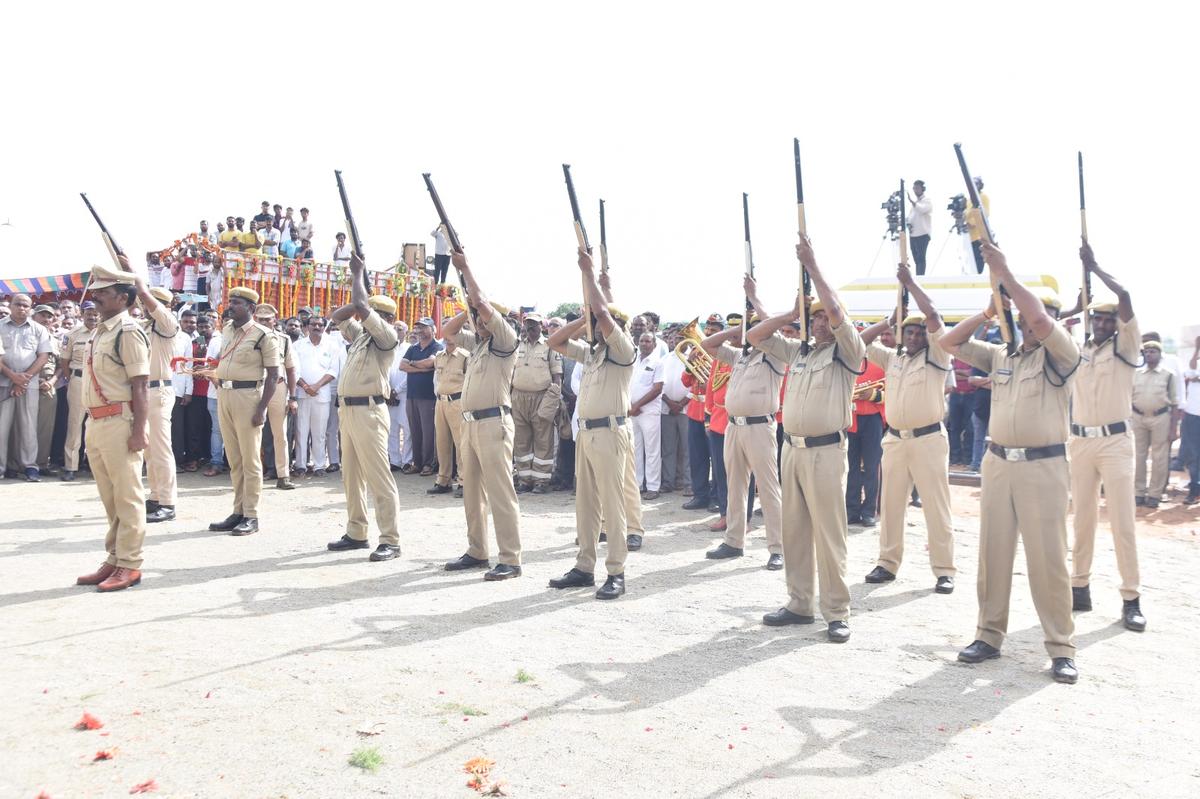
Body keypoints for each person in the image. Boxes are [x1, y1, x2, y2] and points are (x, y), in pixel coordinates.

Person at [936, 242, 1080, 684]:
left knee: (1047, 559)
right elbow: (947, 342)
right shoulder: (1002, 355)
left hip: (1044, 466)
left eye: (1036, 318)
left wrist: (1004, 271)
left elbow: (1039, 318)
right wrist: (985, 314)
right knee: (993, 554)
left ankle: (1060, 647)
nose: (1030, 325)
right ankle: (988, 635)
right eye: (1019, 319)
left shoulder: (1063, 354)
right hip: (998, 462)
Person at [749, 236, 864, 643]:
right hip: (791, 449)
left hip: (826, 451)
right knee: (796, 530)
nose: (818, 323)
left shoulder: (848, 351)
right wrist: (789, 313)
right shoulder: (798, 352)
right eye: (812, 319)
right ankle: (800, 603)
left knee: (829, 534)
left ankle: (836, 611)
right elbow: (756, 337)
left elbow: (835, 310)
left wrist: (813, 266)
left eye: (822, 319)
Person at [859, 264, 957, 593]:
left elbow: (934, 316)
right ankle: (887, 563)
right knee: (891, 504)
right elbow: (859, 342)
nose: (914, 337)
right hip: (895, 440)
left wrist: (910, 285)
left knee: (935, 505)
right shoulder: (893, 357)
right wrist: (890, 319)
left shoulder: (939, 355)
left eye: (919, 333)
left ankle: (944, 569)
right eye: (909, 332)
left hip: (928, 439)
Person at [1063, 244, 1145, 632]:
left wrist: (1094, 268)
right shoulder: (1081, 351)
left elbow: (1125, 297)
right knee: (1082, 519)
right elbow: (1045, 326)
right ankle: (1080, 586)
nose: (1103, 324)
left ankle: (1131, 597)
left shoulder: (1127, 347)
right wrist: (1078, 305)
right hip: (1080, 441)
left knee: (1122, 522)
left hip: (1115, 442)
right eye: (1097, 319)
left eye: (1108, 320)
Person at [547, 249, 636, 599]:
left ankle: (616, 571)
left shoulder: (623, 350)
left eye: (601, 325)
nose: (596, 328)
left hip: (611, 432)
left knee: (613, 505)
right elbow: (555, 341)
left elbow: (603, 311)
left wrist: (588, 276)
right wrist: (584, 317)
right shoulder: (593, 352)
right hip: (587, 432)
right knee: (585, 503)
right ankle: (585, 566)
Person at [439, 252, 523, 581]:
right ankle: (477, 550)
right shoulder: (478, 344)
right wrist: (467, 311)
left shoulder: (505, 340)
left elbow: (483, 304)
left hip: (493, 423)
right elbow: (447, 330)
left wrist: (466, 271)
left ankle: (510, 557)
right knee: (471, 490)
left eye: (482, 317)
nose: (479, 321)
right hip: (471, 423)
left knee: (500, 492)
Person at [73, 263, 150, 592]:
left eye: (103, 292)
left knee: (128, 496)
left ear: (123, 297)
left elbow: (141, 386)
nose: (97, 297)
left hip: (120, 421)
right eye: (96, 292)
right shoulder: (98, 332)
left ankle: (130, 564)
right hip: (97, 421)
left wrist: (138, 431)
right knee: (109, 497)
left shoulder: (128, 331)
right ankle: (115, 556)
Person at [700, 276, 785, 569]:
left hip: (760, 426)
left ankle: (778, 547)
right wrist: (740, 328)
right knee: (735, 485)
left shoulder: (775, 354)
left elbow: (771, 326)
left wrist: (756, 305)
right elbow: (707, 343)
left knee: (768, 486)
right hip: (734, 426)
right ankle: (734, 540)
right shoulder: (739, 355)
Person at [324, 254, 404, 562]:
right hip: (349, 411)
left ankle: (390, 539)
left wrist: (358, 278)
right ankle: (357, 531)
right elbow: (337, 316)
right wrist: (359, 303)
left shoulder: (387, 336)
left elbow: (359, 305)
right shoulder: (361, 337)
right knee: (352, 475)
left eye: (371, 313)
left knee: (378, 476)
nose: (363, 316)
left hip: (370, 411)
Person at [207, 286, 280, 536]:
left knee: (250, 460)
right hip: (225, 395)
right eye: (230, 301)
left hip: (249, 397)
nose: (231, 306)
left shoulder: (264, 335)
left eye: (237, 303)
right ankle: (238, 510)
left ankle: (252, 514)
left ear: (250, 308)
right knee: (234, 459)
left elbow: (273, 376)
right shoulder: (227, 329)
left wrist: (261, 409)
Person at [133, 281, 183, 523]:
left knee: (162, 449)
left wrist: (139, 284)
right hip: (144, 391)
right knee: (149, 449)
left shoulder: (168, 323)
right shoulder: (145, 326)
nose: (146, 307)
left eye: (152, 304)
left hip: (160, 390)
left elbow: (152, 304)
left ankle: (168, 502)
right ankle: (155, 496)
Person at [0, 294, 52, 480]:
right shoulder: (0, 326)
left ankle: (30, 466)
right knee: (1, 427)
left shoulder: (38, 329)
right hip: (3, 382)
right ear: (11, 305)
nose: (21, 308)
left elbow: (43, 356)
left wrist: (23, 380)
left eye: (25, 305)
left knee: (28, 426)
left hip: (28, 385)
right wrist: (13, 377)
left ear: (31, 308)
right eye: (18, 304)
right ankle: (1, 467)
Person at [511, 313, 563, 493]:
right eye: (527, 326)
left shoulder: (550, 346)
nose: (530, 330)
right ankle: (525, 479)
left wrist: (553, 400)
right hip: (518, 397)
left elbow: (557, 376)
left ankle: (541, 481)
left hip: (541, 397)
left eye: (534, 326)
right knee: (521, 440)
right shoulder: (518, 345)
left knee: (543, 440)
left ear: (541, 327)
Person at [681, 314, 724, 511]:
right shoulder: (697, 353)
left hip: (713, 412)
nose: (707, 335)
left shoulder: (723, 355)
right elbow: (686, 382)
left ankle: (716, 497)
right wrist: (690, 365)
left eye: (713, 332)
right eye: (706, 331)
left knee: (716, 458)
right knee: (697, 456)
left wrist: (710, 386)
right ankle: (700, 495)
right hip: (694, 411)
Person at [254, 304, 298, 490]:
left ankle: (283, 475)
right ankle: (253, 475)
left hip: (278, 387)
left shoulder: (284, 340)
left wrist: (293, 397)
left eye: (268, 319)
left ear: (275, 319)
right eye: (260, 319)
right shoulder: (248, 337)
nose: (264, 322)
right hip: (255, 387)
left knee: (280, 434)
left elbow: (291, 369)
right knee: (252, 433)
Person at [1132, 341, 1180, 508]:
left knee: (1159, 457)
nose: (1149, 354)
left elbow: (1175, 403)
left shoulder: (1168, 375)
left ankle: (1155, 494)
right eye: (1146, 351)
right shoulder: (1136, 374)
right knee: (1138, 456)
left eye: (1153, 351)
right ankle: (1138, 492)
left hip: (1161, 418)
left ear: (1160, 355)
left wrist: (1174, 428)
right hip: (1138, 417)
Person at [846, 325, 885, 526]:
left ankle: (869, 511)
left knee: (871, 466)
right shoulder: (846, 361)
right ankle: (851, 510)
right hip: (849, 420)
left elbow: (892, 393)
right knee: (851, 467)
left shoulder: (880, 362)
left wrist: (874, 395)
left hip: (872, 419)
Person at [58, 301, 99, 480]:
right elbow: (64, 362)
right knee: (75, 424)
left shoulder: (106, 333)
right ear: (82, 314)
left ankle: (95, 465)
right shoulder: (72, 334)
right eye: (88, 313)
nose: (92, 316)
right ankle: (71, 466)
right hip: (79, 380)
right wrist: (72, 379)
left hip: (101, 384)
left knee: (99, 425)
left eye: (96, 313)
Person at [294, 316, 338, 476]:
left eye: (320, 325)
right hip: (302, 394)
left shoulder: (332, 346)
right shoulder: (297, 346)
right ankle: (300, 465)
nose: (317, 327)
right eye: (313, 324)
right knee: (301, 431)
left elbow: (333, 371)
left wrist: (317, 386)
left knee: (319, 433)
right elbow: (293, 370)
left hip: (322, 395)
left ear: (324, 327)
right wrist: (305, 386)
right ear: (307, 327)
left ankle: (319, 465)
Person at [400, 318, 441, 475]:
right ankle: (417, 463)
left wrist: (413, 364)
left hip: (428, 396)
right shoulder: (413, 347)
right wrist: (420, 367)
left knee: (428, 431)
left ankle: (428, 464)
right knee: (414, 430)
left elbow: (430, 364)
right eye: (418, 327)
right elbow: (402, 366)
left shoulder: (437, 347)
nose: (420, 330)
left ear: (433, 329)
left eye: (424, 327)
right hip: (412, 396)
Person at [429, 337, 467, 496]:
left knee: (461, 444)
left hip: (457, 401)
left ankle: (464, 481)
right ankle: (443, 480)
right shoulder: (439, 356)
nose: (449, 337)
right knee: (442, 443)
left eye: (453, 333)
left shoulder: (465, 356)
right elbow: (437, 380)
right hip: (441, 402)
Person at [629, 331, 665, 499]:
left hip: (648, 411)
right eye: (642, 341)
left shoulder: (658, 362)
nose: (644, 343)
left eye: (648, 341)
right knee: (635, 449)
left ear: (654, 344)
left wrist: (637, 405)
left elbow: (657, 389)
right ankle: (637, 484)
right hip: (631, 411)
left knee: (652, 450)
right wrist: (630, 406)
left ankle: (653, 487)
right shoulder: (632, 361)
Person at [31, 305, 62, 476]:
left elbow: (61, 366)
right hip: (26, 385)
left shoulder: (56, 340)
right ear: (33, 317)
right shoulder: (27, 337)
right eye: (42, 315)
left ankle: (41, 464)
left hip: (48, 388)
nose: (46, 319)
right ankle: (20, 463)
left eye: (49, 317)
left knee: (45, 428)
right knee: (23, 426)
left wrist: (51, 381)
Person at [659, 326, 690, 492]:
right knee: (668, 449)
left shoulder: (693, 358)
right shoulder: (664, 359)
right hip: (667, 409)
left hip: (687, 409)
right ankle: (668, 482)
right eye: (673, 338)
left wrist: (682, 403)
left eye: (680, 338)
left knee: (687, 448)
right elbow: (658, 383)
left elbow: (695, 385)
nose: (676, 341)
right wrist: (669, 402)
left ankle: (687, 483)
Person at [387, 320, 413, 472]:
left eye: (400, 329)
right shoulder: (387, 347)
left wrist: (396, 390)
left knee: (407, 428)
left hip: (404, 393)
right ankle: (395, 460)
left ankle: (407, 460)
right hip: (388, 395)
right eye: (394, 328)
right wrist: (388, 391)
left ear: (406, 332)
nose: (397, 331)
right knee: (391, 429)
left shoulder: (410, 348)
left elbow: (409, 372)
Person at [1183, 338, 1200, 504]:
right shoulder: (1196, 360)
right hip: (1193, 414)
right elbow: (1190, 373)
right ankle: (1195, 490)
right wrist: (1196, 350)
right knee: (1194, 455)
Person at [965, 177, 991, 274]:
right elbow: (966, 213)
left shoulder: (983, 197)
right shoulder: (969, 200)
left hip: (979, 234)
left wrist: (972, 223)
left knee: (978, 259)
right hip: (969, 236)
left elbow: (986, 213)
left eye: (976, 184)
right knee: (971, 261)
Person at [908, 180, 933, 275]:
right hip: (913, 234)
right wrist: (908, 223)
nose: (915, 190)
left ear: (923, 189)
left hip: (922, 234)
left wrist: (912, 202)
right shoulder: (915, 203)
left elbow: (922, 209)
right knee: (916, 258)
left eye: (917, 188)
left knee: (921, 258)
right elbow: (911, 216)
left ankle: (921, 277)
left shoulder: (927, 200)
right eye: (914, 188)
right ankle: (918, 275)